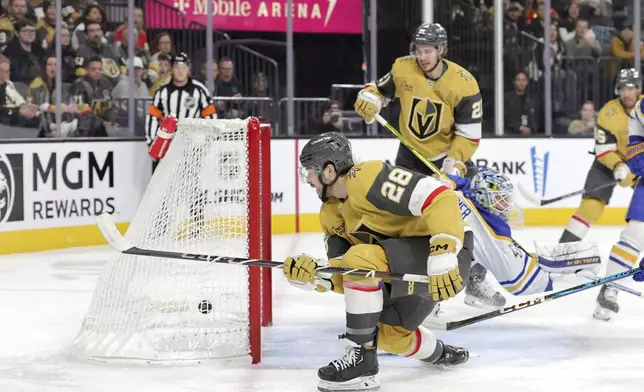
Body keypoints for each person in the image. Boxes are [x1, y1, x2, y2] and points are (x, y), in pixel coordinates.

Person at [285, 132, 471, 392]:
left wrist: (443, 253)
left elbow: (441, 196)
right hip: (406, 271)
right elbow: (345, 274)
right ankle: (440, 354)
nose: (308, 181)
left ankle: (362, 361)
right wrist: (316, 277)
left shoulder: (365, 177)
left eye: (310, 172)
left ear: (328, 171)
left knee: (361, 257)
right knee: (389, 337)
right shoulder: (329, 214)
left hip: (445, 262)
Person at [353, 22, 504, 308]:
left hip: (449, 159)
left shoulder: (463, 82)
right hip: (410, 157)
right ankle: (420, 294)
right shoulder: (402, 68)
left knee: (473, 218)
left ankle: (474, 279)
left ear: (442, 50)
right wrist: (370, 98)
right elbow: (378, 90)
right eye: (418, 50)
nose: (422, 56)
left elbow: (469, 134)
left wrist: (455, 164)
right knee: (409, 226)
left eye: (428, 51)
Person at [439, 169, 601, 299]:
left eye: (506, 199)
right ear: (482, 197)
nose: (506, 205)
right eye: (499, 199)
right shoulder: (494, 233)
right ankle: (432, 300)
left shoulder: (463, 191)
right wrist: (566, 280)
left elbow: (458, 180)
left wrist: (445, 178)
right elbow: (517, 283)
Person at [559, 68, 642, 246]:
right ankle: (563, 250)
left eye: (630, 88)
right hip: (608, 163)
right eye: (622, 88)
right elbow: (603, 149)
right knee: (590, 206)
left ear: (638, 88)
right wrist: (618, 165)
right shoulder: (608, 113)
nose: (626, 93)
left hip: (639, 162)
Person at [600, 90, 644, 315]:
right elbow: (636, 151)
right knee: (634, 235)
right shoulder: (641, 108)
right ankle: (610, 288)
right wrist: (637, 163)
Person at [145, 52, 216, 170]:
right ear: (172, 69)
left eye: (183, 67)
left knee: (190, 185)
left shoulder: (199, 90)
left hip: (192, 149)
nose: (180, 71)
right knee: (162, 186)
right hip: (166, 148)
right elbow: (152, 118)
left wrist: (206, 142)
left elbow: (210, 118)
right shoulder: (162, 92)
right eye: (177, 67)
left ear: (188, 68)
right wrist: (152, 143)